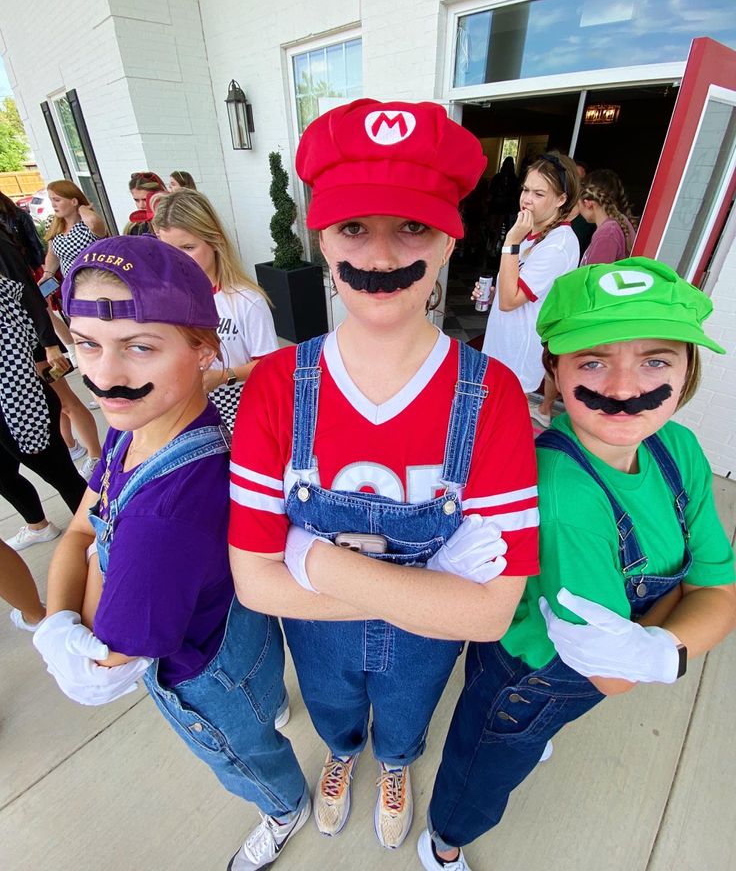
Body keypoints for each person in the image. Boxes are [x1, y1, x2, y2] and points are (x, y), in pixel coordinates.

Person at [228, 99, 540, 851]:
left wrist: (309, 556)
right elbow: (252, 584)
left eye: (411, 227)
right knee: (334, 712)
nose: (377, 256)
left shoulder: (491, 394)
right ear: (320, 237)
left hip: (409, 648)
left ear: (447, 241)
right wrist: (433, 594)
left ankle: (394, 766)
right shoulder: (275, 384)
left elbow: (491, 615)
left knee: (404, 723)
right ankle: (340, 756)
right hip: (328, 639)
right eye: (353, 227)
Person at [419, 257, 736, 871]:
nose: (624, 387)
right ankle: (443, 842)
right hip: (533, 673)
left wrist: (658, 645)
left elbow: (720, 591)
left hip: (564, 659)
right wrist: (670, 634)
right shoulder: (565, 493)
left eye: (656, 359)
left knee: (516, 732)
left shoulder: (679, 447)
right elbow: (616, 671)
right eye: (593, 360)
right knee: (485, 760)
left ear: (689, 366)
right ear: (555, 371)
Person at [33, 235, 310, 871]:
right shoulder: (141, 427)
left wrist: (66, 628)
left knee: (239, 751)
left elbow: (115, 650)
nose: (104, 375)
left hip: (200, 674)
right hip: (237, 634)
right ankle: (269, 707)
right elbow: (79, 532)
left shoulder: (165, 515)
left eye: (140, 346)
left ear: (205, 348)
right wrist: (56, 621)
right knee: (260, 697)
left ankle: (282, 804)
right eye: (86, 343)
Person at [153, 189, 278, 431]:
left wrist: (223, 376)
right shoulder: (164, 300)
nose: (179, 261)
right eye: (169, 252)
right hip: (185, 412)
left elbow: (269, 366)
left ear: (215, 240)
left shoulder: (245, 300)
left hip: (240, 410)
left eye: (188, 247)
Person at [477, 152, 580, 429]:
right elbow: (510, 290)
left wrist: (510, 241)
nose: (526, 199)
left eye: (538, 193)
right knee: (493, 414)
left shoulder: (557, 244)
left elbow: (511, 301)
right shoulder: (531, 235)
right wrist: (491, 291)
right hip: (503, 341)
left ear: (561, 200)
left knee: (504, 418)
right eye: (525, 190)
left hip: (519, 349)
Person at [0, 227, 86, 552]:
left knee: (61, 473)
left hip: (19, 400)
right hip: (15, 395)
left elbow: (28, 300)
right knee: (5, 474)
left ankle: (105, 540)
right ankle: (37, 524)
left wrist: (47, 347)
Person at [38, 180, 106, 473]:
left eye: (59, 199)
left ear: (73, 200)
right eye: (51, 199)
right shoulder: (56, 231)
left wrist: (85, 209)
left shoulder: (86, 223)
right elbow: (52, 261)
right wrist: (45, 278)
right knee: (80, 333)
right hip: (70, 290)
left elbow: (99, 229)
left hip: (95, 285)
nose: (54, 204)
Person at [579, 169, 636, 265]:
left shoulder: (607, 233)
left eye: (578, 202)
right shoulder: (619, 222)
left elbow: (596, 277)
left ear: (588, 203)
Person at [0, 190, 45, 271]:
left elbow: (35, 243)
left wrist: (42, 264)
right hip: (11, 266)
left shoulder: (20, 216)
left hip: (29, 264)